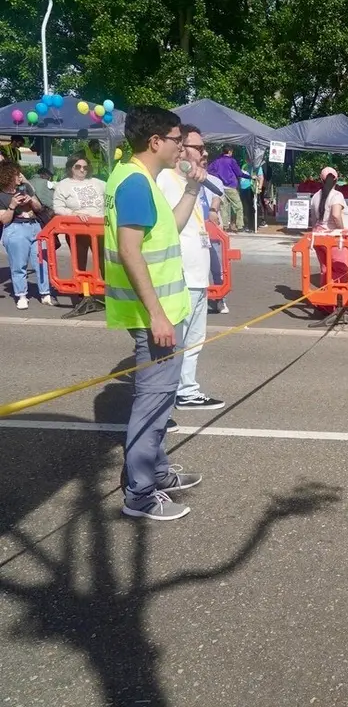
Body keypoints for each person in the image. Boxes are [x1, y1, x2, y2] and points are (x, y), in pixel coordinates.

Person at [105, 105, 206, 521]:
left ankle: (158, 472)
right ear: (155, 141)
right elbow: (130, 251)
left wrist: (193, 189)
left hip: (163, 310)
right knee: (152, 404)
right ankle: (141, 495)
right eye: (177, 139)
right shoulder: (135, 183)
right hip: (155, 315)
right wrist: (157, 314)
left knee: (160, 400)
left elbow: (168, 230)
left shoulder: (140, 178)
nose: (182, 147)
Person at [156, 124, 224, 412]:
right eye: (199, 148)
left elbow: (218, 191)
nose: (204, 153)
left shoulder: (191, 180)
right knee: (176, 342)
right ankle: (165, 398)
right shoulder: (165, 180)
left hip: (198, 275)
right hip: (180, 275)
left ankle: (187, 390)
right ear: (181, 148)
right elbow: (168, 226)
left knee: (195, 339)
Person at [0, 161, 52, 309]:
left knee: (41, 261)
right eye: (17, 174)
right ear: (8, 176)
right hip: (15, 229)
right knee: (18, 264)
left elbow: (39, 208)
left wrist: (31, 201)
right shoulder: (1, 196)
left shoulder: (25, 188)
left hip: (35, 226)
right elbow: (4, 220)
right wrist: (12, 205)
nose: (20, 176)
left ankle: (45, 293)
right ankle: (21, 295)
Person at [53, 153, 107, 274]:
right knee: (80, 264)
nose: (82, 170)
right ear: (71, 168)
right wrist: (74, 214)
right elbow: (58, 208)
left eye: (85, 167)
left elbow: (112, 195)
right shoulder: (63, 185)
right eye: (78, 167)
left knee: (103, 262)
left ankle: (107, 286)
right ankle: (82, 286)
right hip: (77, 230)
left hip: (99, 229)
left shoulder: (98, 183)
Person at [198, 150, 229, 314]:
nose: (203, 160)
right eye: (201, 157)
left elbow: (217, 198)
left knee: (217, 266)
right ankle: (200, 298)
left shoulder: (214, 180)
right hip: (195, 231)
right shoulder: (185, 180)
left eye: (205, 158)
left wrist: (212, 210)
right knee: (199, 266)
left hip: (212, 230)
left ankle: (220, 298)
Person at [310, 167, 348, 291]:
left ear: (321, 180)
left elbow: (313, 219)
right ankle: (337, 293)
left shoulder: (315, 196)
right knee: (340, 268)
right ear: (336, 180)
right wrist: (343, 230)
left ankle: (325, 293)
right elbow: (336, 215)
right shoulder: (337, 195)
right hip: (333, 237)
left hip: (318, 235)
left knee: (325, 267)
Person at [207, 146, 250, 232]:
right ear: (230, 152)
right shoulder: (231, 161)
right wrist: (250, 177)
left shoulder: (217, 161)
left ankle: (225, 226)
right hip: (230, 186)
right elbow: (239, 173)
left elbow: (209, 170)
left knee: (224, 207)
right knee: (238, 207)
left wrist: (217, 177)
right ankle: (240, 226)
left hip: (221, 187)